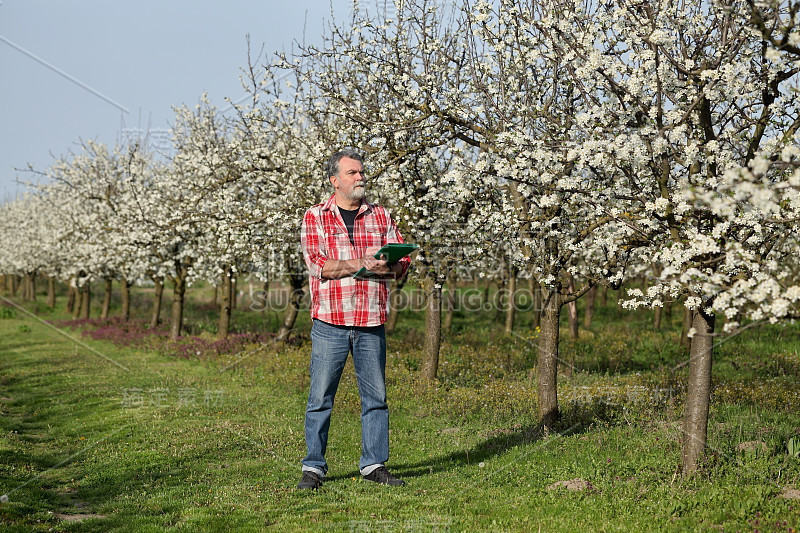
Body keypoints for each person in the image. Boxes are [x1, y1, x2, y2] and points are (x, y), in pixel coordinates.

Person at [297, 148, 410, 490]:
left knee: (376, 398)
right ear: (335, 180)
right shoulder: (316, 216)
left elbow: (401, 260)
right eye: (352, 173)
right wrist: (361, 263)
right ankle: (313, 468)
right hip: (331, 323)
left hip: (371, 322)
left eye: (361, 172)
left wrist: (389, 264)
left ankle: (374, 465)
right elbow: (317, 264)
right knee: (320, 398)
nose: (361, 177)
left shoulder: (380, 216)